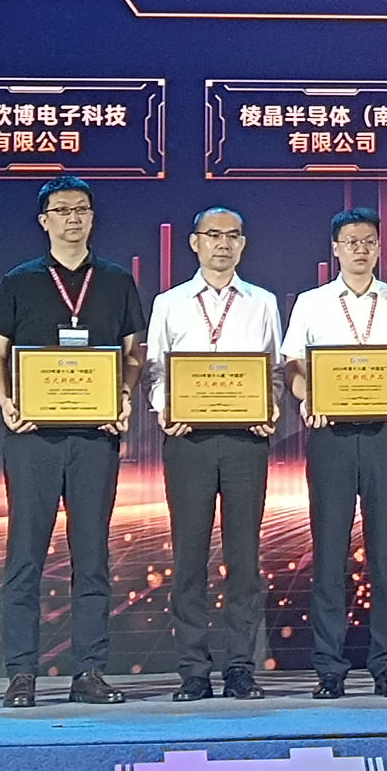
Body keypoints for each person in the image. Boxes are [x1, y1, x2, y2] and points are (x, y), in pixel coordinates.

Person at [0, 174, 144, 708]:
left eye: (81, 209)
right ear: (44, 220)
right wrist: (7, 403)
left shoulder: (117, 280)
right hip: (32, 438)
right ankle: (21, 674)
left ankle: (89, 672)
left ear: (92, 217)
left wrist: (123, 396)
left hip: (94, 437)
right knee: (24, 557)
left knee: (92, 556)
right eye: (62, 209)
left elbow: (133, 356)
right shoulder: (20, 281)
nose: (73, 217)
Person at [279, 206, 387, 699]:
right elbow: (293, 367)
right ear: (335, 249)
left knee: (386, 555)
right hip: (331, 438)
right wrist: (309, 399)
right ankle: (330, 667)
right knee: (328, 554)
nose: (360, 249)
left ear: (379, 248)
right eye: (351, 241)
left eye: (368, 241)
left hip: (385, 436)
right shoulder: (312, 302)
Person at [145, 206, 283, 701]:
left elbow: (273, 371)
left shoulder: (262, 302)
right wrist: (165, 408)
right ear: (194, 242)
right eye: (213, 235)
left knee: (244, 560)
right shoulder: (169, 303)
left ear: (243, 244)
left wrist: (269, 407)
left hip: (246, 441)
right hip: (188, 441)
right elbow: (156, 371)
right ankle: (193, 671)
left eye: (232, 236)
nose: (223, 244)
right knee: (189, 559)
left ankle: (241, 667)